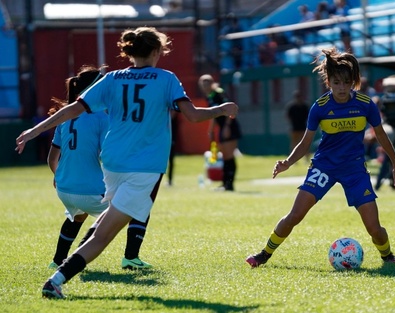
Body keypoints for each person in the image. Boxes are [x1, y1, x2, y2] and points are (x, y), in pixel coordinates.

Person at [16, 26, 238, 299]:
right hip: (143, 168)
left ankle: (76, 264)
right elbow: (192, 115)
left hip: (112, 163)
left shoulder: (112, 78)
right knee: (104, 235)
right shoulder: (166, 78)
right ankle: (56, 280)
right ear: (157, 51)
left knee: (108, 223)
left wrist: (35, 130)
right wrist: (221, 108)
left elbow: (74, 108)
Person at [245, 47, 395, 268]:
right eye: (336, 82)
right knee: (295, 215)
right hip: (323, 168)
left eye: (346, 82)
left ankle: (387, 256)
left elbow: (381, 136)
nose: (341, 88)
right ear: (328, 82)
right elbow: (305, 143)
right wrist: (287, 162)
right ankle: (264, 254)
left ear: (353, 82)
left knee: (374, 228)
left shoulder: (364, 104)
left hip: (354, 170)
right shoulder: (320, 108)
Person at [46, 65, 152, 271]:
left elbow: (52, 159)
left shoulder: (64, 117)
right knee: (139, 206)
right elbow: (110, 156)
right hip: (90, 191)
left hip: (64, 189)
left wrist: (59, 177)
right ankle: (131, 258)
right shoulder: (102, 118)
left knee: (77, 215)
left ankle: (58, 260)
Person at [198, 74, 242, 191]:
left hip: (230, 127)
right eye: (203, 82)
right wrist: (211, 130)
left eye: (207, 82)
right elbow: (213, 114)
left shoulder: (218, 92)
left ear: (212, 82)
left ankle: (230, 185)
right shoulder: (209, 96)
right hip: (222, 128)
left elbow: (229, 109)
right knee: (224, 156)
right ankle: (224, 183)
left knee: (229, 156)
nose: (205, 84)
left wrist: (227, 126)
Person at [285, 90, 310, 162]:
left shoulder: (305, 106)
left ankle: (307, 159)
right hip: (294, 128)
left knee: (305, 144)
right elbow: (288, 117)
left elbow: (309, 117)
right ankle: (293, 160)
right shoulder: (291, 107)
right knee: (294, 144)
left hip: (303, 128)